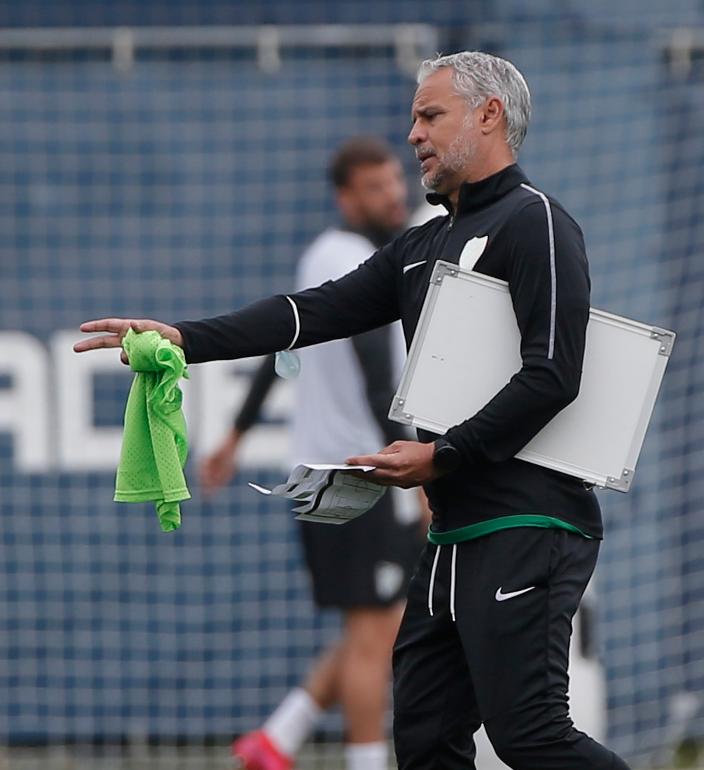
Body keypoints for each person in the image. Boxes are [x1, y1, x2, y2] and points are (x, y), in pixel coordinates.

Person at [76, 51, 630, 770]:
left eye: (430, 115)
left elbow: (554, 374)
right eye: (412, 118)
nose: (413, 135)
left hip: (530, 522)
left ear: (489, 115)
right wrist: (183, 337)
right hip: (455, 529)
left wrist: (442, 454)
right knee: (427, 737)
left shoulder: (538, 223)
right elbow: (306, 315)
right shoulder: (420, 245)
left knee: (528, 734)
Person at [200, 137, 424, 770]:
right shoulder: (353, 257)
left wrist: (236, 436)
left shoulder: (321, 257)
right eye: (377, 188)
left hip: (332, 474)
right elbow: (377, 374)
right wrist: (419, 471)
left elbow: (285, 352)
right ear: (345, 197)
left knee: (381, 628)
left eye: (395, 183)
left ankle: (279, 736)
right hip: (356, 476)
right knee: (375, 636)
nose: (394, 195)